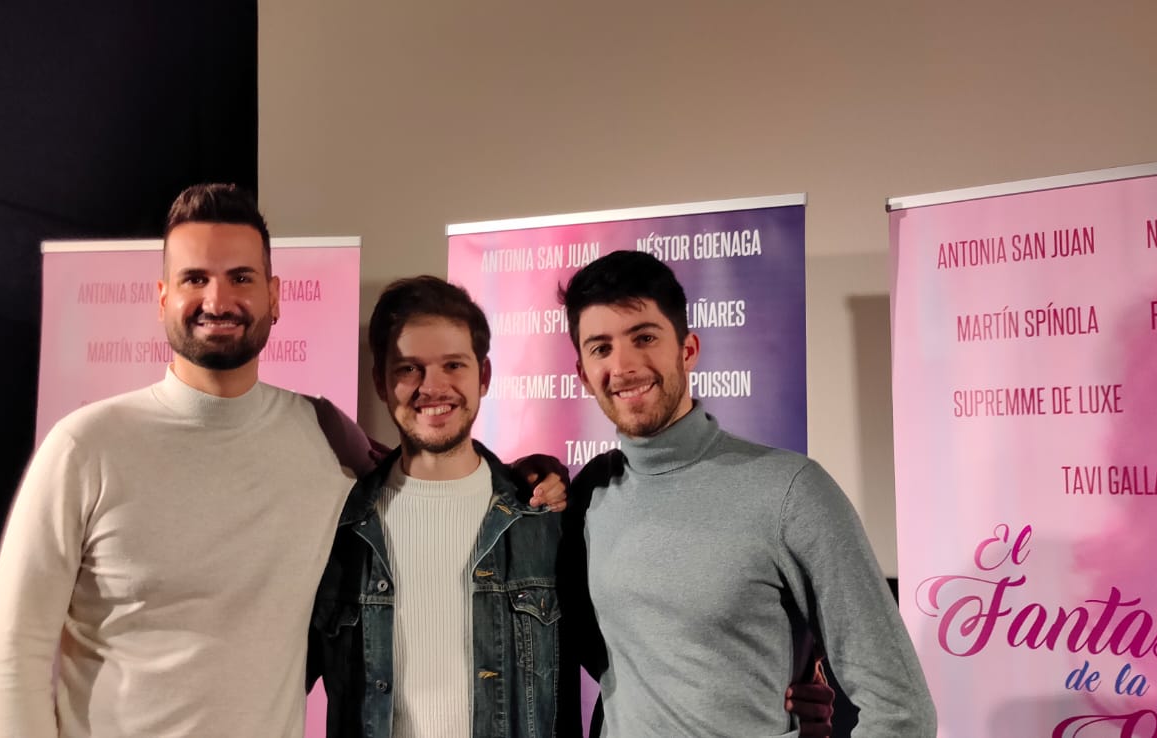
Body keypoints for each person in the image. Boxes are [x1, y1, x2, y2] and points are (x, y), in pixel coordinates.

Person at [0, 184, 567, 738]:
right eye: (194, 278)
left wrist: (531, 474)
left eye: (240, 277)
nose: (218, 300)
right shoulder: (85, 447)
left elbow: (431, 463)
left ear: (274, 296)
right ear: (162, 298)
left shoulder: (323, 433)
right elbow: (13, 656)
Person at [311, 276, 837, 738]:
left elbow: (642, 659)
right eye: (409, 368)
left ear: (484, 375)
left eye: (453, 364)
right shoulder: (334, 528)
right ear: (381, 381)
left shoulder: (549, 517)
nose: (433, 387)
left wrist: (784, 680)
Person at [557, 250, 935, 736]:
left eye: (644, 338)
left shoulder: (791, 490)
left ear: (688, 350)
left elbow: (902, 709)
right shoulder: (591, 493)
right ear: (583, 373)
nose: (623, 365)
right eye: (601, 348)